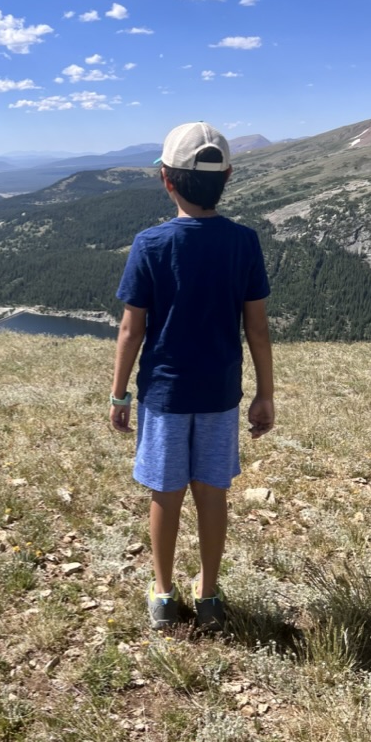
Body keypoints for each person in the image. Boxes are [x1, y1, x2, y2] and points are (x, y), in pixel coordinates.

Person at [109, 121, 274, 631]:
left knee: (166, 492)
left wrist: (119, 395)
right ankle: (208, 597)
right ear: (227, 177)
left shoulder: (151, 243)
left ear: (166, 178)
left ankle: (161, 595)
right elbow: (258, 327)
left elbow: (130, 330)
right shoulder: (243, 242)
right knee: (212, 492)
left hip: (164, 393)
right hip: (222, 392)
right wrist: (265, 394)